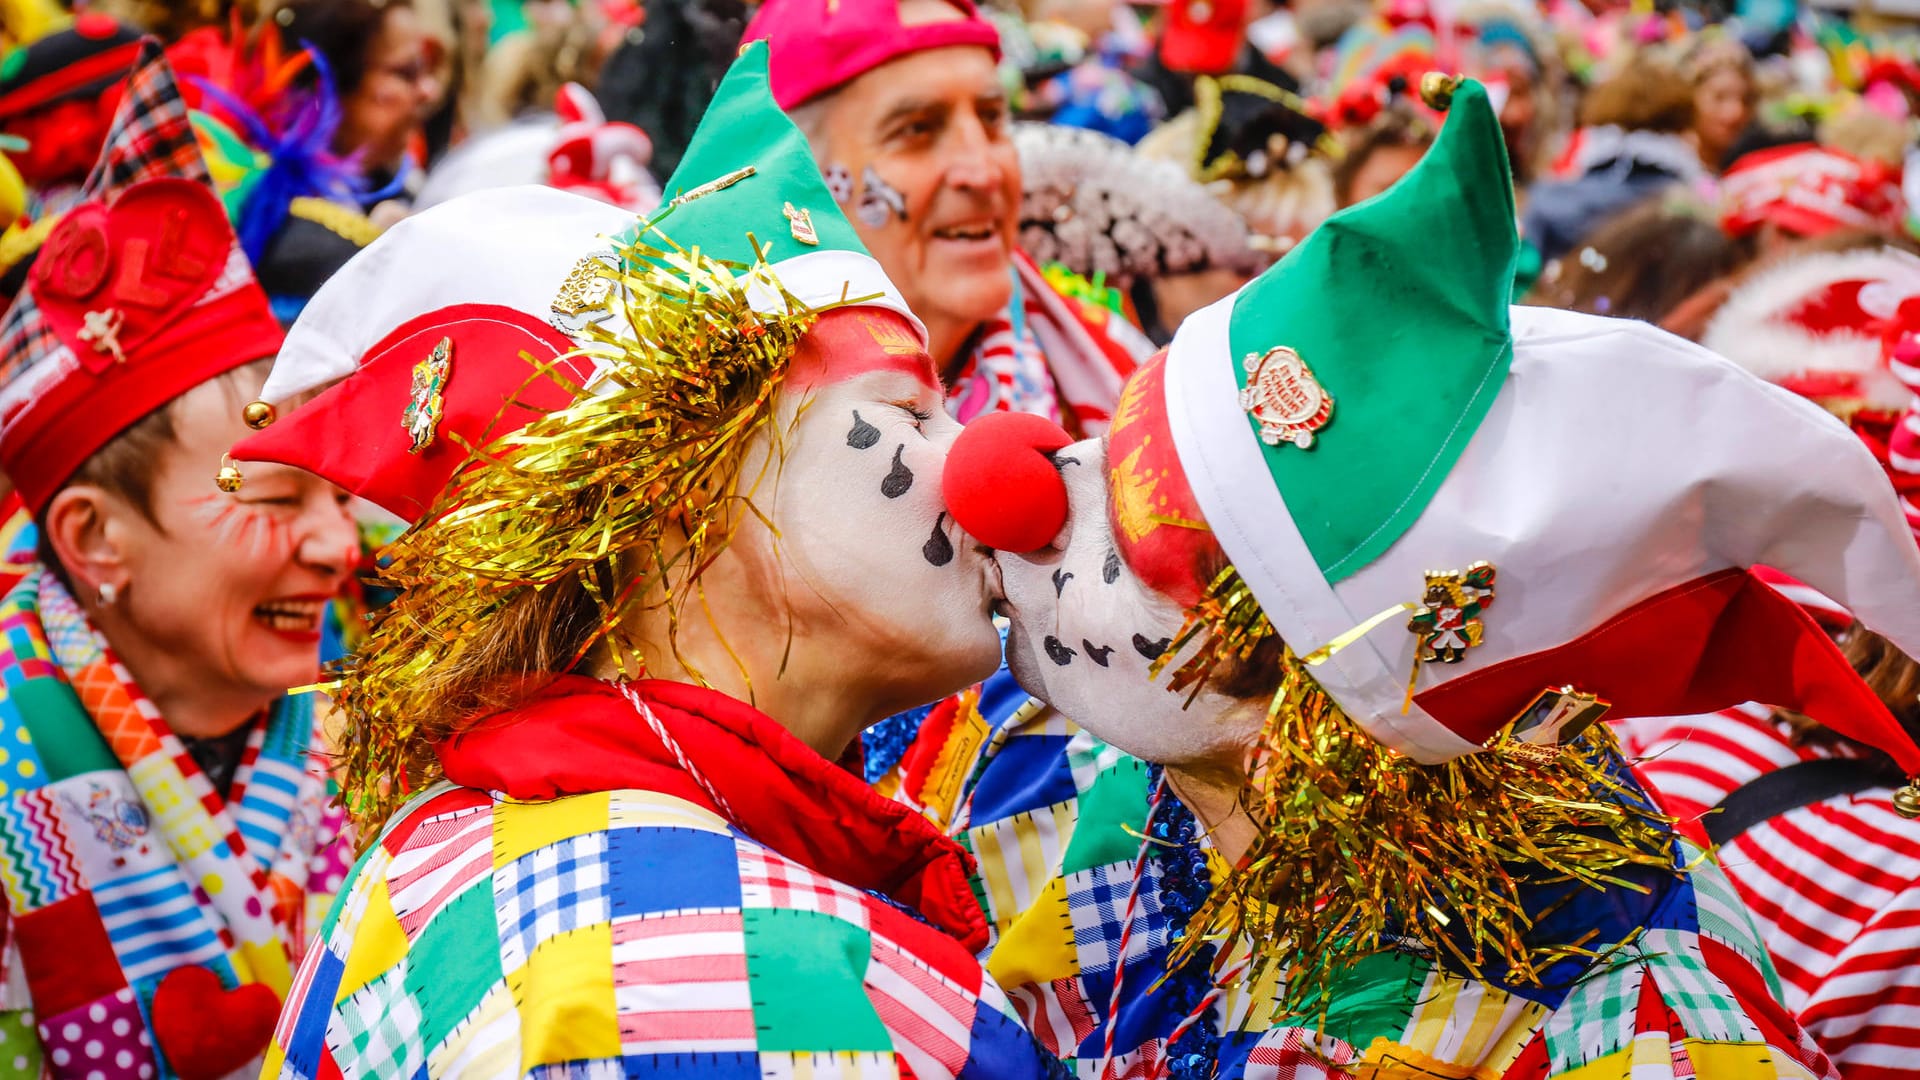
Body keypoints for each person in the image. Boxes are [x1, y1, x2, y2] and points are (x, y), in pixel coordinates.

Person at [923, 74, 1920, 1077]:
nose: (1008, 485)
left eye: (1131, 554)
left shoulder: (1638, 1039)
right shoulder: (1137, 794)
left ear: (1311, 717)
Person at [248, 44, 1060, 1078]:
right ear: (691, 501)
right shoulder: (718, 988)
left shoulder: (470, 842)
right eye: (907, 416)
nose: (989, 457)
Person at [0, 47, 357, 1079]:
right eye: (274, 500)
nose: (336, 546)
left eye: (334, 494)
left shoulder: (369, 743)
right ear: (92, 538)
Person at [743, 0, 1147, 437]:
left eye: (991, 118)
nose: (984, 172)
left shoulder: (1122, 369)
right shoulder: (718, 440)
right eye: (917, 129)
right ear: (798, 180)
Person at [275, 0, 441, 193]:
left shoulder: (404, 189)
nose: (430, 91)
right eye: (407, 72)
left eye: (425, 67)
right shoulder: (285, 214)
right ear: (329, 87)